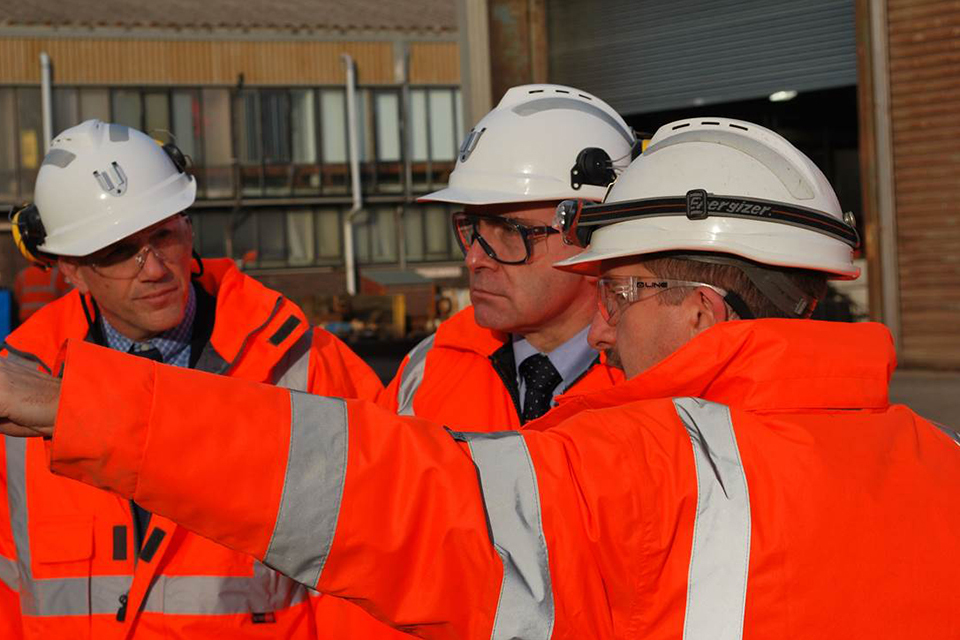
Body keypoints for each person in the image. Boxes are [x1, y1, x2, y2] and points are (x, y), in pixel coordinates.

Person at [1, 117, 958, 640]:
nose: (605, 312)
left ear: (703, 308)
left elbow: (391, 497)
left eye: (620, 286)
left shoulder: (657, 468)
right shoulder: (937, 463)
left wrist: (72, 403)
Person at [0, 119, 387, 639]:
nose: (154, 268)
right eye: (118, 251)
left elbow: (375, 565)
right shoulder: (20, 391)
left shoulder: (307, 367)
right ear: (69, 269)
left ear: (188, 225)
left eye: (163, 234)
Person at [379, 84, 632, 426]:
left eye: (510, 233)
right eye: (473, 230)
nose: (474, 260)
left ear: (592, 234)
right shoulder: (431, 365)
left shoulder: (649, 379)